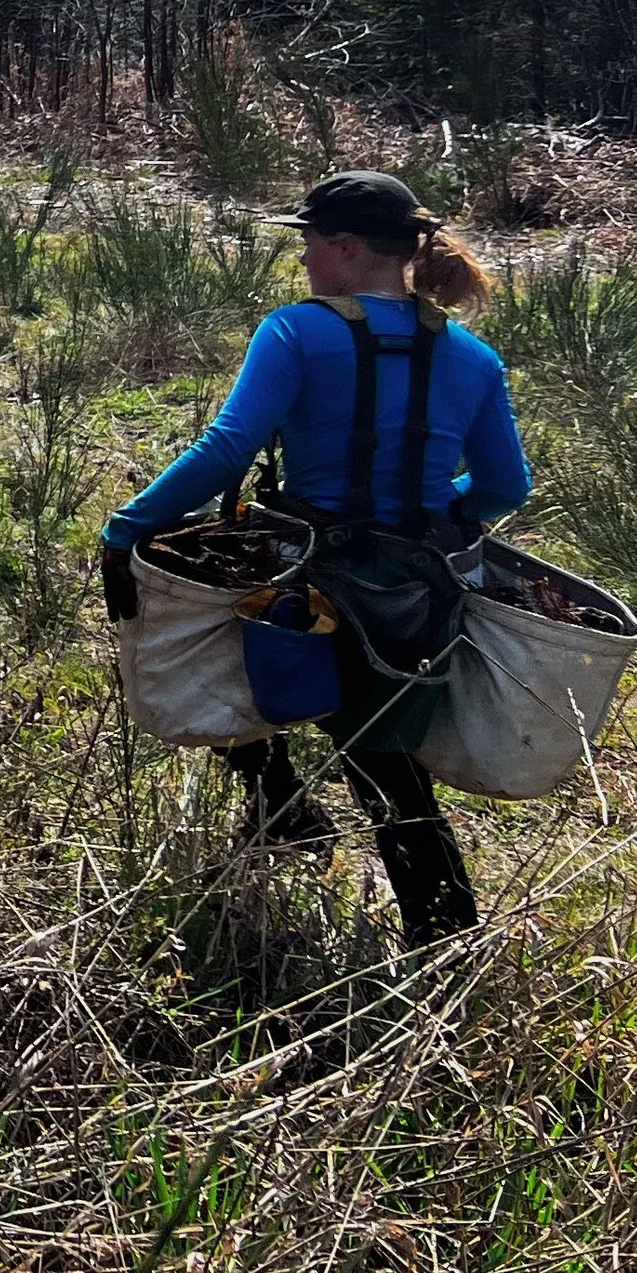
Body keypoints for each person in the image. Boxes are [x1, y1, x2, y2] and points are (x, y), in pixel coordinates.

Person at [99, 171, 531, 948]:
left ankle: (282, 800)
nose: (302, 259)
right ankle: (443, 950)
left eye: (308, 242)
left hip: (304, 572)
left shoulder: (297, 330)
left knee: (216, 646)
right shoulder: (471, 355)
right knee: (392, 777)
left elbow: (227, 447)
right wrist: (435, 508)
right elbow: (506, 485)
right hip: (409, 589)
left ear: (347, 248)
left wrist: (127, 528)